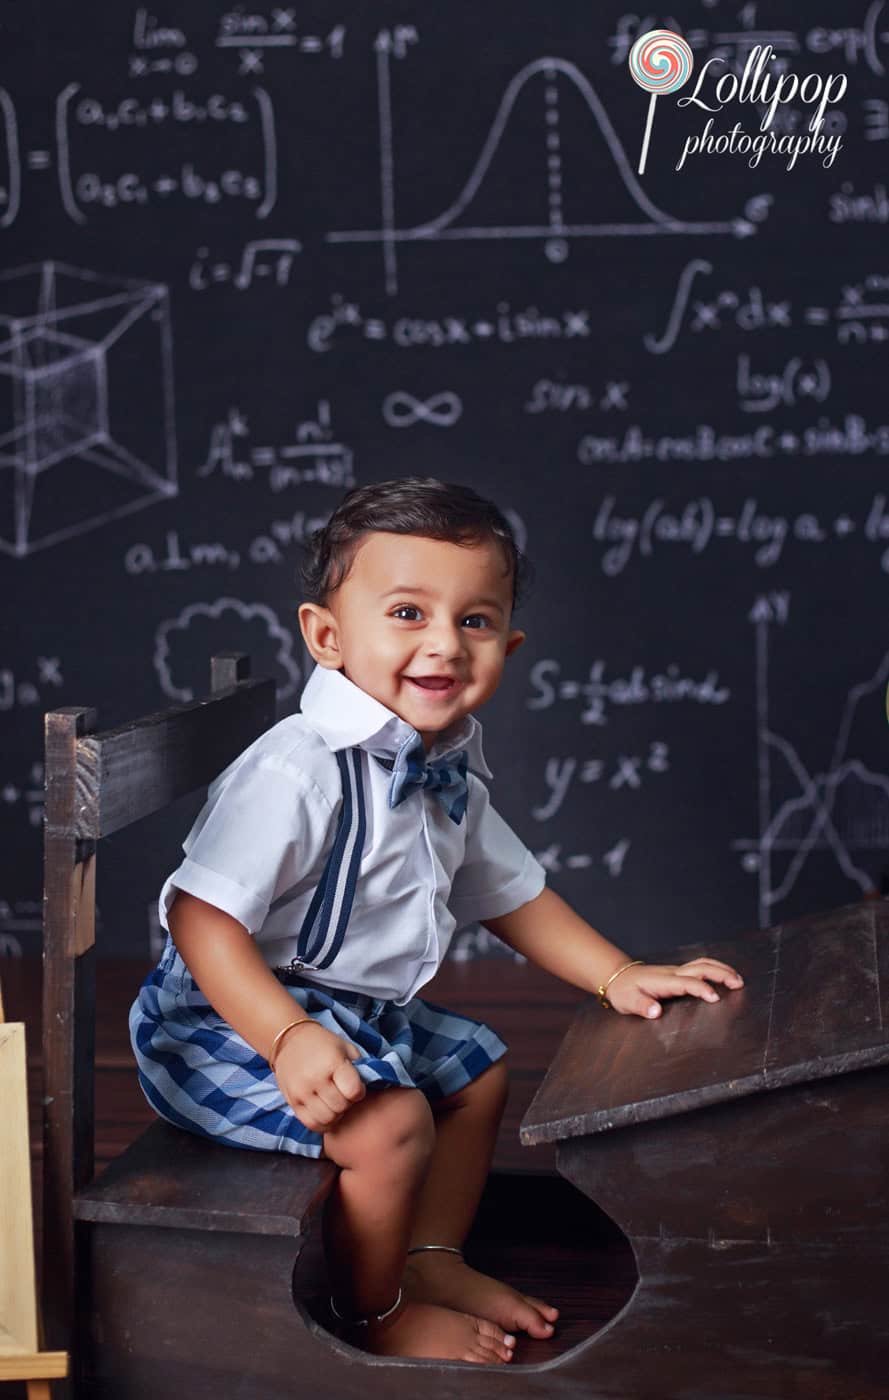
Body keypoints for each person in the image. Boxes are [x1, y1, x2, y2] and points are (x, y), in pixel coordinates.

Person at [130, 476, 744, 1365]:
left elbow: (512, 893)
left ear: (509, 645)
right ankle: (371, 1313)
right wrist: (289, 1038)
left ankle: (431, 1258)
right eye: (408, 613)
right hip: (226, 1020)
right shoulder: (298, 769)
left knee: (477, 1071)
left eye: (474, 621)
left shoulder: (444, 767)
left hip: (352, 1011)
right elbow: (199, 920)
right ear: (327, 636)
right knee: (390, 1125)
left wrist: (616, 973)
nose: (442, 645)